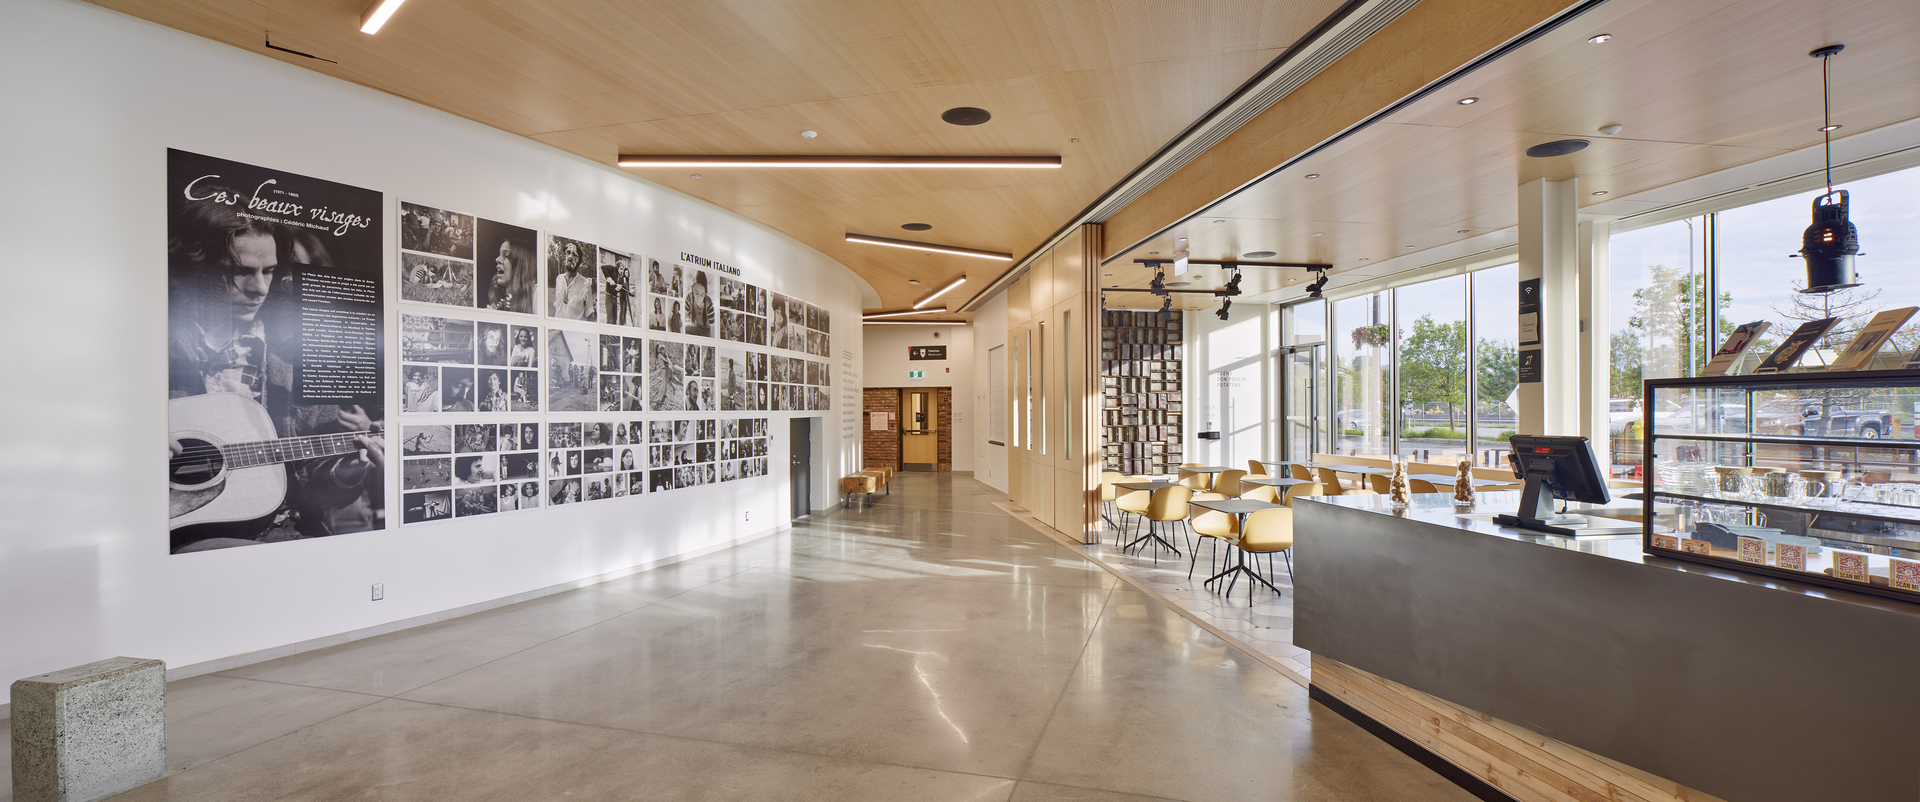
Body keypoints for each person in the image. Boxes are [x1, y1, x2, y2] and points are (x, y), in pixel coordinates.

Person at [167, 188, 381, 551]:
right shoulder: (155, 346)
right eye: (239, 272)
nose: (260, 288)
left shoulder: (292, 360)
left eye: (269, 271)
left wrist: (349, 470)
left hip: (285, 532)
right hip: (181, 537)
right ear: (196, 268)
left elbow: (320, 488)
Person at [484, 238, 534, 313]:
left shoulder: (537, 296)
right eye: (499, 254)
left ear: (522, 265)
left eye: (506, 255)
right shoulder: (503, 299)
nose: (497, 259)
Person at [550, 240, 594, 320]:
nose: (570, 257)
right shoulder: (559, 279)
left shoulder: (585, 283)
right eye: (568, 253)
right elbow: (557, 307)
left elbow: (589, 314)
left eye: (574, 254)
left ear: (579, 260)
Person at [684, 271, 715, 337]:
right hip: (695, 327)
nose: (699, 298)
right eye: (696, 293)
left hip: (706, 331)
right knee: (684, 328)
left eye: (702, 295)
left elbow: (712, 329)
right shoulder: (689, 297)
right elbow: (683, 317)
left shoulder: (709, 303)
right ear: (692, 290)